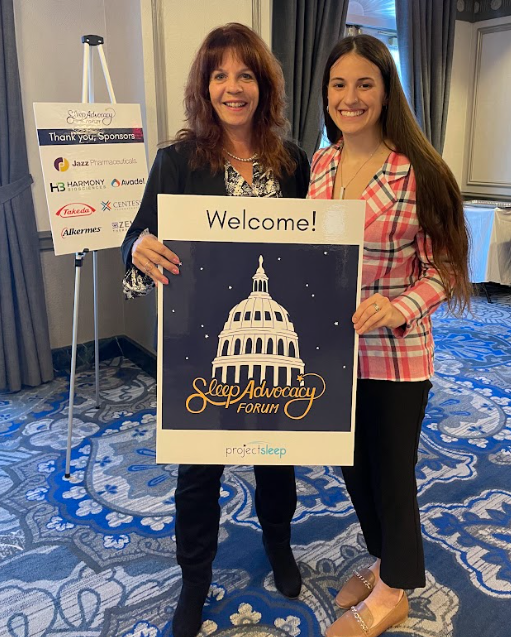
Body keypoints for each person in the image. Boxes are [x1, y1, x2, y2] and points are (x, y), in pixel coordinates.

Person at [121, 23, 310, 637]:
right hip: (200, 345)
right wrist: (138, 247)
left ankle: (277, 541)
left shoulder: (294, 163)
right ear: (205, 87)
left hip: (275, 336)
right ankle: (195, 575)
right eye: (220, 75)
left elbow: (317, 250)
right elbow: (137, 236)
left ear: (263, 86)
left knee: (278, 456)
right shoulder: (176, 162)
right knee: (198, 470)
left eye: (246, 74)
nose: (234, 87)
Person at [308, 35, 470, 637]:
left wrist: (399, 305)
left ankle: (395, 591)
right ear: (326, 94)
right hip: (335, 351)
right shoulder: (321, 164)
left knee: (392, 473)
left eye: (364, 84)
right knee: (353, 467)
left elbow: (446, 270)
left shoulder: (419, 171)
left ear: (386, 92)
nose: (349, 98)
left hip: (398, 355)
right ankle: (383, 561)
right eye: (338, 85)